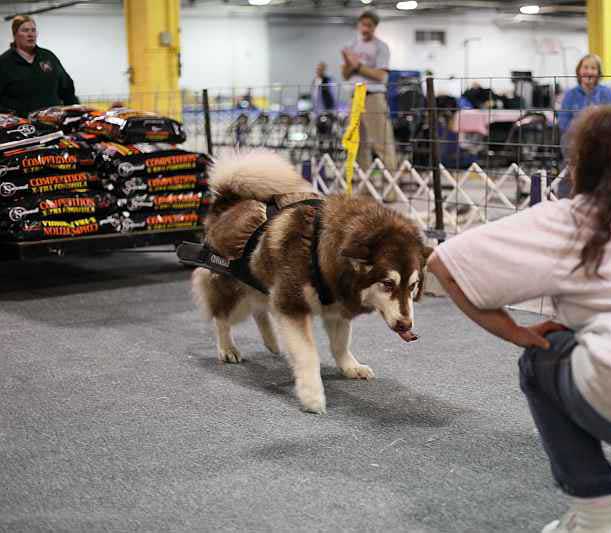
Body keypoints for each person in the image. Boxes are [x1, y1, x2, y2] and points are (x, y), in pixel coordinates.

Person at [427, 104, 611, 533]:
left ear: (580, 161)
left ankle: (596, 513)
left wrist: (514, 332)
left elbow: (445, 265)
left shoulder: (570, 220)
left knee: (541, 357)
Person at [341, 10, 397, 175]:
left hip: (373, 97)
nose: (365, 28)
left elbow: (381, 76)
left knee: (382, 144)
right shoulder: (351, 46)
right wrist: (348, 62)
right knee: (356, 144)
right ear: (358, 25)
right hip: (354, 97)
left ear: (375, 27)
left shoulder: (381, 47)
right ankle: (361, 188)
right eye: (363, 25)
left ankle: (390, 189)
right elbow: (345, 75)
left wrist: (357, 65)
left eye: (369, 26)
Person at [0, 15, 78, 117]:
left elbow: (67, 88)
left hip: (53, 124)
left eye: (33, 30)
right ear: (15, 34)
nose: (30, 34)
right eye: (25, 30)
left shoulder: (48, 57)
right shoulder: (4, 62)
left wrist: (75, 114)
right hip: (21, 127)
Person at [558, 54, 611, 135]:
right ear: (579, 71)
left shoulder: (607, 93)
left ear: (599, 72)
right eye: (585, 67)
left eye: (593, 68)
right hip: (575, 142)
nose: (589, 72)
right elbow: (563, 123)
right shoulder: (569, 95)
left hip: (601, 140)